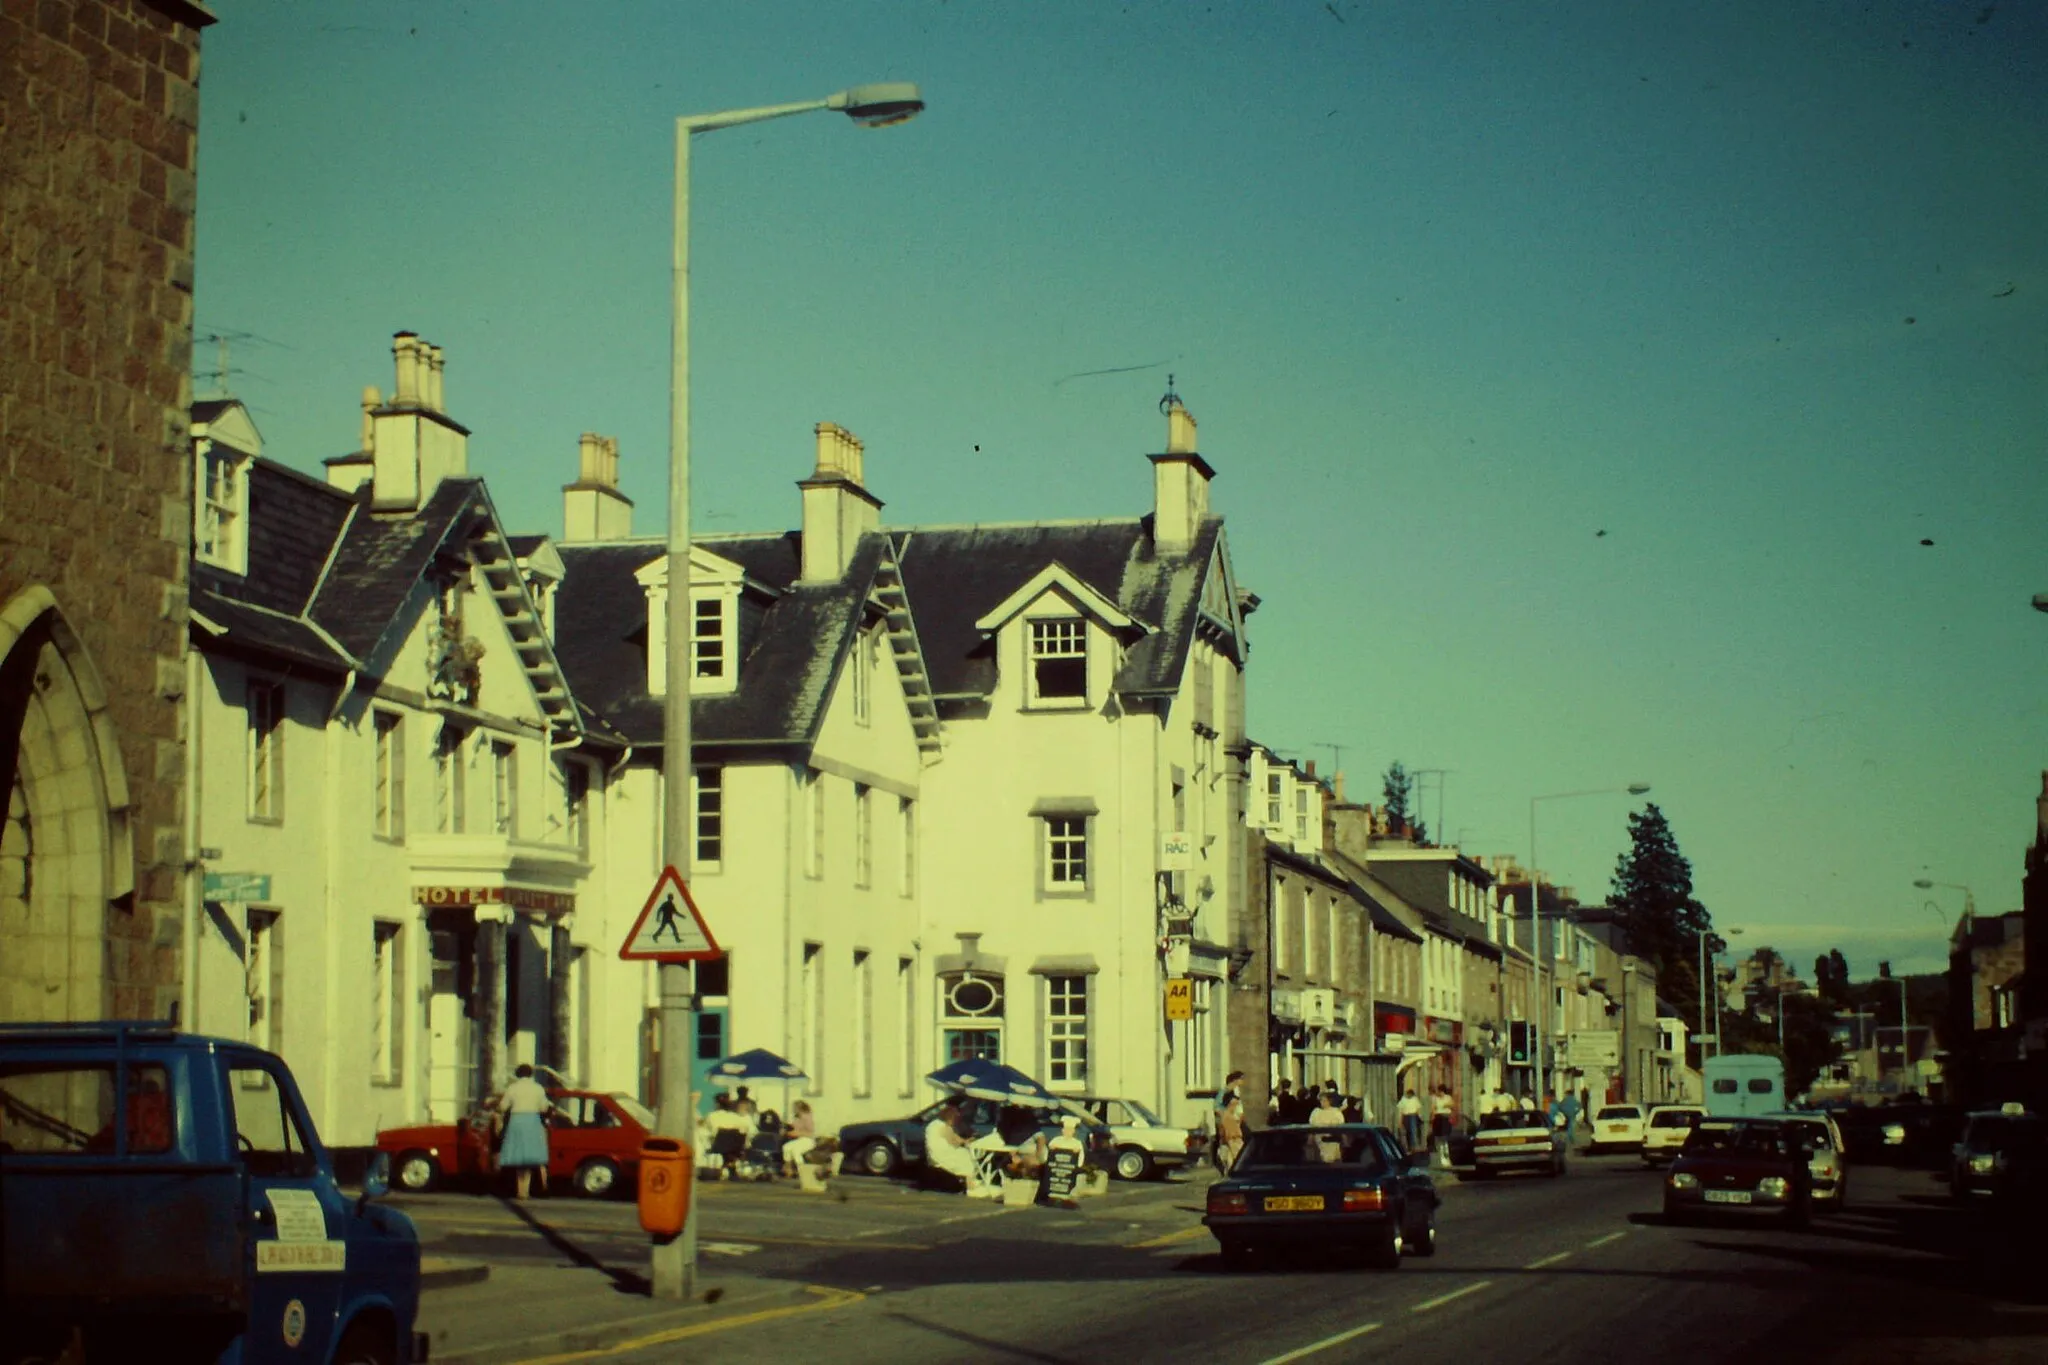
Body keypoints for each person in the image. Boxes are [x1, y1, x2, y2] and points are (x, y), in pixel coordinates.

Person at [493, 1064, 554, 1199]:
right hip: (532, 1121)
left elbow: (502, 1107)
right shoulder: (538, 1088)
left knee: (519, 1158)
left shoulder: (512, 1088)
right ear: (531, 1074)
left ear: (517, 1074)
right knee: (531, 1157)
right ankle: (527, 1189)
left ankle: (521, 1192)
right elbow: (544, 1107)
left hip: (517, 1121)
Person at [923, 1100, 975, 1189]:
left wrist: (963, 1140)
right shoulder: (943, 1127)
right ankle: (970, 1185)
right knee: (967, 1156)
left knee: (963, 1153)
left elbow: (954, 1137)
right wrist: (968, 1141)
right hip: (941, 1154)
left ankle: (964, 1180)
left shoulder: (934, 1124)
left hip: (933, 1153)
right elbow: (954, 1141)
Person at [781, 1099, 817, 1177]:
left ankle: (802, 1170)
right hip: (800, 1140)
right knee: (786, 1147)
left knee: (796, 1150)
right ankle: (788, 1168)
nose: (793, 1110)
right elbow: (794, 1128)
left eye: (794, 1108)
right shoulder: (796, 1118)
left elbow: (810, 1132)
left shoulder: (807, 1117)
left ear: (799, 1108)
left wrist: (797, 1133)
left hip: (808, 1140)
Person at [1308, 1088, 1345, 1161]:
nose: (1322, 1102)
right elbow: (1312, 1126)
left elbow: (1340, 1125)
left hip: (1332, 1139)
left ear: (1329, 1101)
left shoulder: (1336, 1112)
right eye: (1321, 1100)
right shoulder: (1316, 1112)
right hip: (1320, 1139)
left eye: (1324, 1100)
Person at [1215, 1093, 1247, 1173]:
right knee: (1238, 1162)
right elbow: (1228, 1134)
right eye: (1235, 1104)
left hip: (1231, 1142)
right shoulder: (1227, 1117)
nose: (1236, 1107)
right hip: (1233, 1141)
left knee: (1230, 1165)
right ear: (1230, 1104)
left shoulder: (1230, 1116)